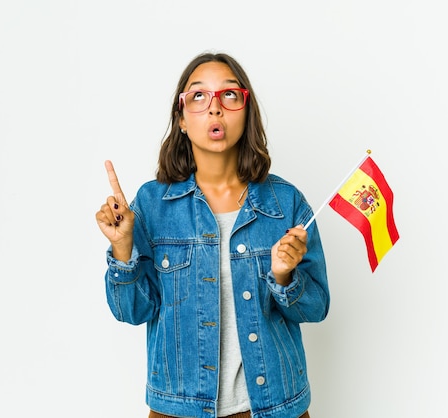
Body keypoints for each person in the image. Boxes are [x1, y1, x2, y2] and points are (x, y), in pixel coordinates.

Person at [95, 52, 330, 418]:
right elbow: (133, 312)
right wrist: (123, 249)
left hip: (274, 407)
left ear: (246, 112)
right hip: (178, 408)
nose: (215, 109)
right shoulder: (151, 204)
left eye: (230, 96)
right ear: (182, 118)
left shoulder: (285, 203)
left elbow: (316, 308)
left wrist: (284, 276)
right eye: (199, 96)